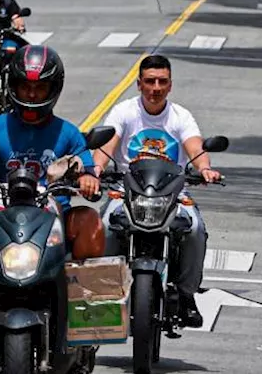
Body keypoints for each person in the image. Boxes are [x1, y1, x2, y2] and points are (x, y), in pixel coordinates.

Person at [0, 46, 105, 267]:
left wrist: (88, 180)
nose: (32, 94)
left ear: (53, 89)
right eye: (25, 87)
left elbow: (91, 179)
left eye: (41, 88)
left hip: (54, 223)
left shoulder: (69, 133)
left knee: (91, 221)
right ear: (13, 86)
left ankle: (76, 285)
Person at [91, 54, 222, 329]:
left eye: (162, 81)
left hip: (172, 195)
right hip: (126, 193)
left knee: (195, 228)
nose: (156, 88)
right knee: (104, 224)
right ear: (139, 84)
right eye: (150, 81)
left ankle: (187, 295)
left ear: (170, 85)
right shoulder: (124, 112)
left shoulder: (180, 116)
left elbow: (196, 148)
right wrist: (96, 169)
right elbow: (106, 146)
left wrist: (205, 168)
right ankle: (103, 292)